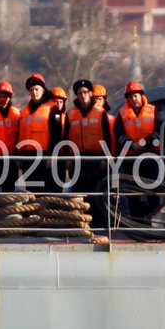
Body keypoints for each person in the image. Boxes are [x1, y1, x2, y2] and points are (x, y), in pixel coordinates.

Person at [64, 79, 114, 222]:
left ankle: (100, 224)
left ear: (91, 93)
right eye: (79, 93)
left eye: (85, 92)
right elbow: (66, 138)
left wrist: (106, 158)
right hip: (78, 159)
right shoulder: (71, 114)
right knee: (81, 193)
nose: (83, 95)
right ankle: (84, 224)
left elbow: (107, 137)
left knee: (97, 192)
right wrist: (67, 158)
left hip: (96, 159)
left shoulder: (100, 113)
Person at [114, 80, 161, 219]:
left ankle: (154, 219)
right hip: (131, 159)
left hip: (151, 157)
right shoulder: (122, 114)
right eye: (130, 96)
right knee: (132, 192)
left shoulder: (153, 111)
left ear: (141, 96)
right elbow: (119, 134)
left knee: (153, 190)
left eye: (135, 95)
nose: (133, 99)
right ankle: (137, 221)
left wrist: (144, 143)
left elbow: (159, 131)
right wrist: (131, 144)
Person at [16, 73, 63, 193]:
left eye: (36, 89)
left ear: (43, 90)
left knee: (47, 191)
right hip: (28, 156)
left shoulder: (52, 108)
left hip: (45, 155)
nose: (34, 92)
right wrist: (19, 157)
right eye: (31, 90)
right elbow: (20, 135)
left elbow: (56, 135)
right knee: (31, 192)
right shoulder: (25, 111)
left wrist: (52, 156)